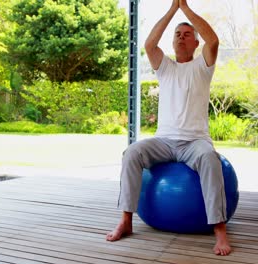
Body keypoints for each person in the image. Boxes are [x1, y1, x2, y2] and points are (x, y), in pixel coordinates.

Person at [106, 0, 232, 256]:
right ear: (173, 42)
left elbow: (214, 41)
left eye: (188, 35)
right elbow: (150, 44)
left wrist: (185, 8)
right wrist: (173, 10)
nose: (181, 38)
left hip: (195, 142)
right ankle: (126, 221)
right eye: (178, 35)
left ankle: (219, 230)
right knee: (131, 153)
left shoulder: (203, 67)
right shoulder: (165, 68)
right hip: (163, 142)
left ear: (196, 43)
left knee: (210, 158)